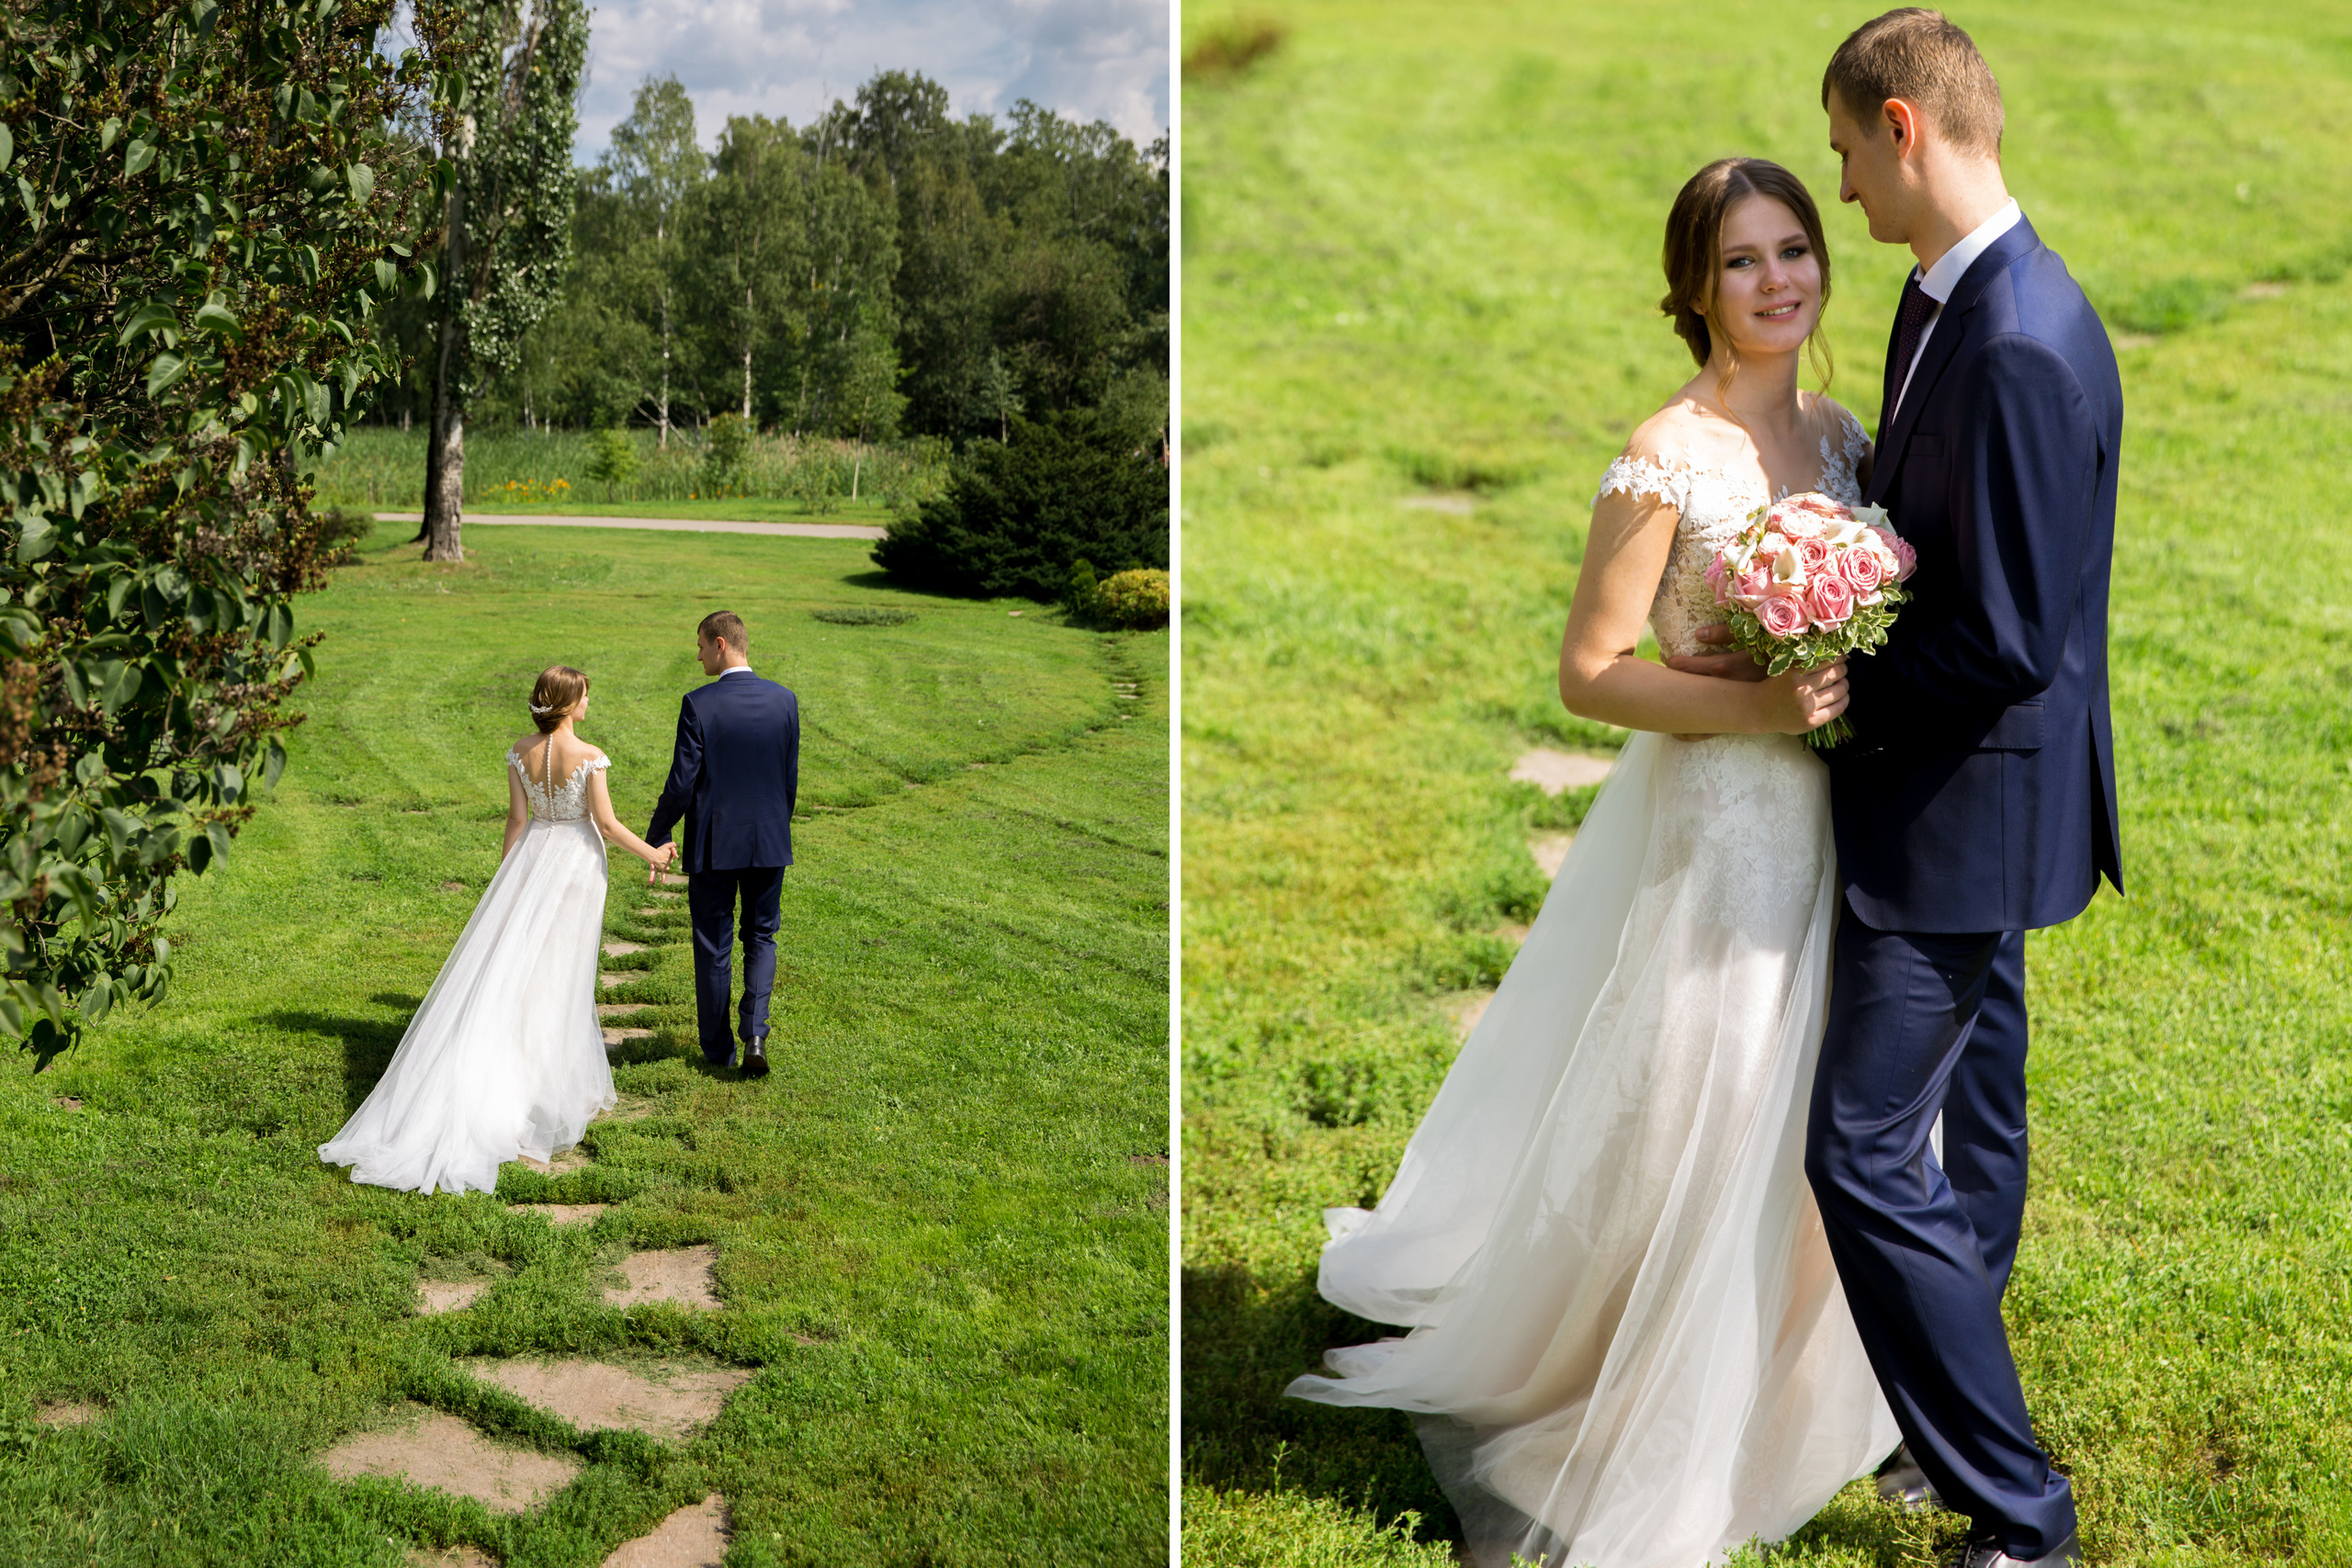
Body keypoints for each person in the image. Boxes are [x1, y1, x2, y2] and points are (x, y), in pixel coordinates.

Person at [1285, 157, 1901, 1568]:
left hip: (1838, 819)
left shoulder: (1841, 430)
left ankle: (1793, 1367)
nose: (1776, 280)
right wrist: (1759, 701)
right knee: (1712, 1087)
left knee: (1820, 1100)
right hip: (1728, 818)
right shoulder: (1661, 451)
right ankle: (1643, 1376)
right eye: (1740, 260)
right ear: (1693, 287)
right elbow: (1588, 673)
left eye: (1794, 248)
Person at [1788, 12, 2118, 1565]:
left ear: (1905, 127)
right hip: (1975, 803)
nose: (1844, 189)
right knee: (1971, 1128)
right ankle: (1943, 1443)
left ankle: (2019, 1509)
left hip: (1963, 806)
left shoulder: (2021, 340)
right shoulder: (1949, 297)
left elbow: (2000, 632)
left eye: (1850, 152)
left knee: (1860, 1145)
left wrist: (1842, 688)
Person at [319, 666, 673, 1194]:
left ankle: (521, 1077)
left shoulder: (520, 751)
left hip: (531, 860)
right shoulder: (590, 756)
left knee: (524, 972)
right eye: (585, 695)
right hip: (576, 865)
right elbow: (606, 824)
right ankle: (540, 1089)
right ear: (571, 701)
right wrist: (655, 853)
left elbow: (516, 819)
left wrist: (505, 883)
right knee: (560, 975)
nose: (589, 702)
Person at [645, 611, 800, 1077]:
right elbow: (788, 779)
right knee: (761, 936)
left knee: (713, 945)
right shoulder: (785, 701)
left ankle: (717, 1051)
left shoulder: (699, 704)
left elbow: (681, 783)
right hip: (771, 840)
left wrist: (658, 833)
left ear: (720, 644)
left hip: (715, 845)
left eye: (699, 647)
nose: (697, 656)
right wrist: (776, 825)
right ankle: (754, 1033)